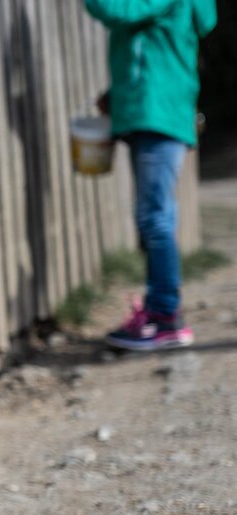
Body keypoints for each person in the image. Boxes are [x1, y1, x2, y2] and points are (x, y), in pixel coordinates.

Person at [86, 0, 217, 351]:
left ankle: (164, 316)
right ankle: (163, 310)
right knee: (159, 214)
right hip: (157, 109)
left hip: (155, 112)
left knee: (154, 216)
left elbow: (119, 11)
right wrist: (118, 95)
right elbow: (157, 50)